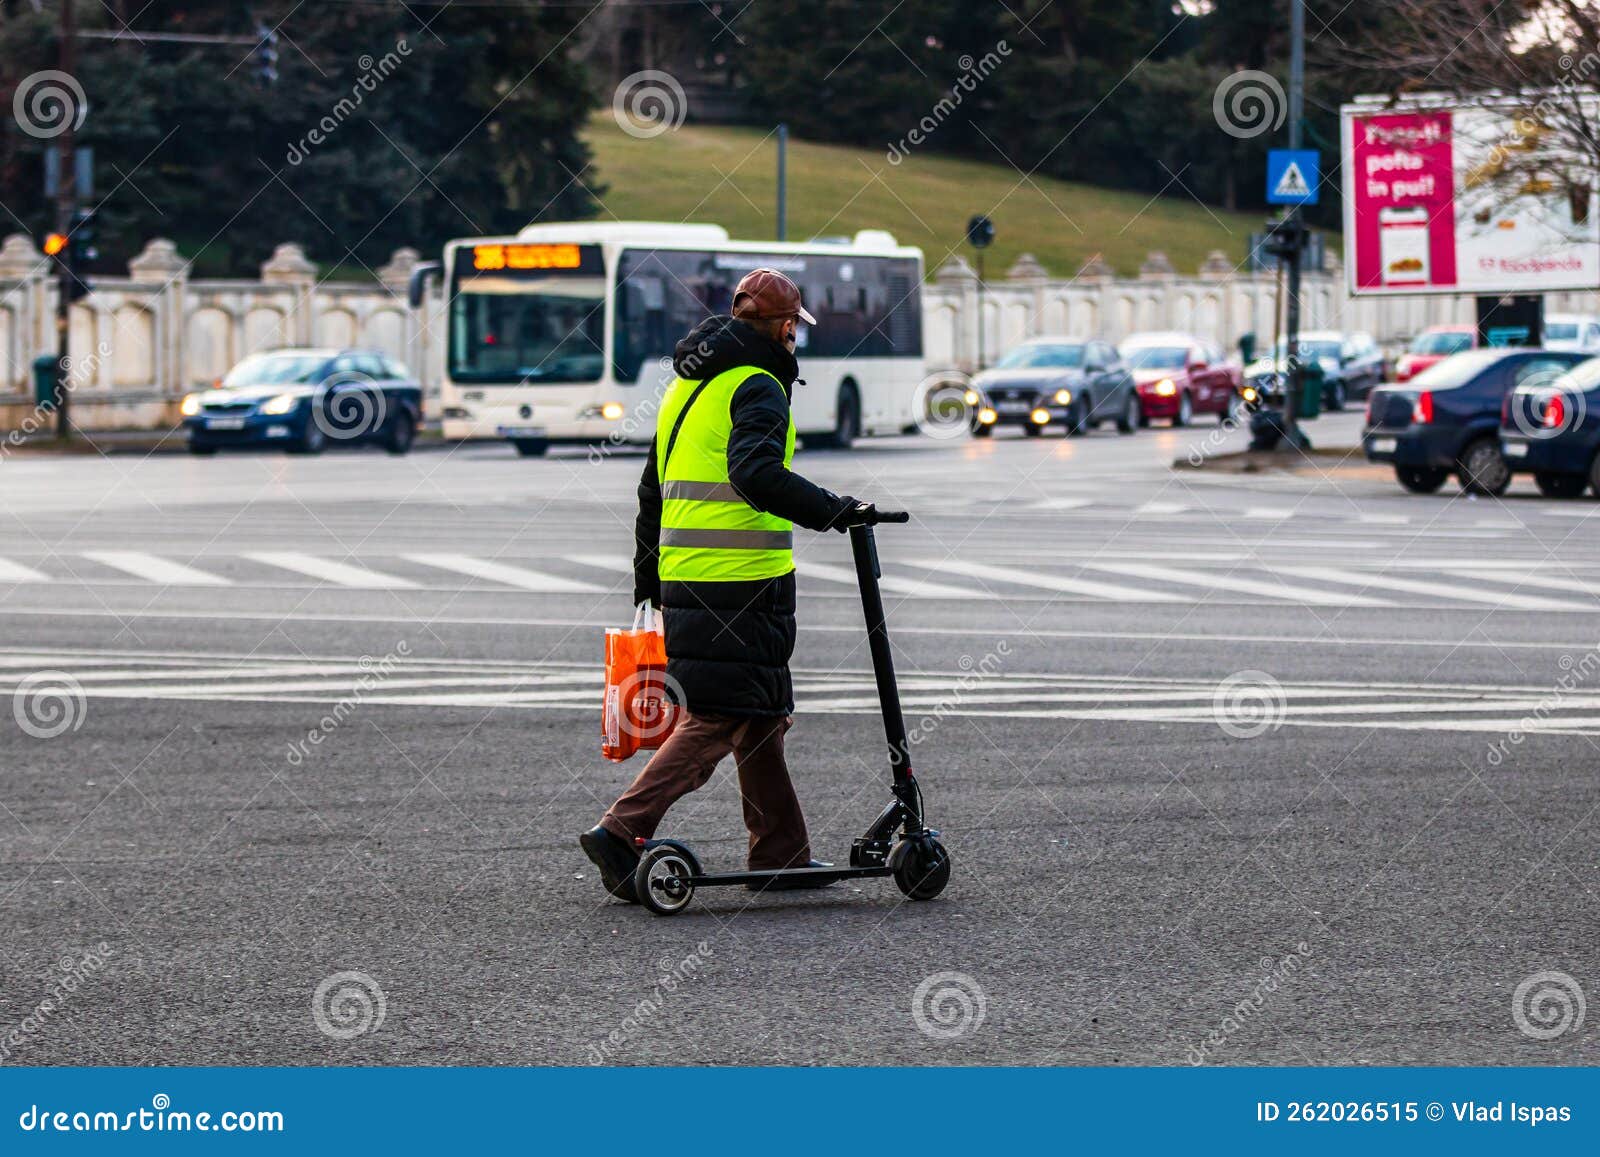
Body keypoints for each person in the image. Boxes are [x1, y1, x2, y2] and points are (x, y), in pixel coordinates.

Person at [580, 268, 885, 902]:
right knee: (720, 715)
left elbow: (651, 491)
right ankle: (622, 827)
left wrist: (651, 582)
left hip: (688, 576)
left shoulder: (687, 389)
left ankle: (781, 852)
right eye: (795, 328)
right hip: (741, 581)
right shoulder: (759, 386)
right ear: (783, 327)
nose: (795, 339)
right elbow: (755, 474)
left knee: (761, 714)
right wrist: (837, 509)